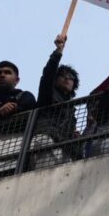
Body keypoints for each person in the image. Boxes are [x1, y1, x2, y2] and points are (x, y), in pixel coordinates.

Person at [35, 34, 82, 165]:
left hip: (66, 147)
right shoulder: (48, 94)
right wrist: (58, 51)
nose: (67, 78)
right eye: (62, 75)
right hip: (47, 139)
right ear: (55, 79)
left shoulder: (71, 108)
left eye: (71, 77)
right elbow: (48, 75)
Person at [0, 61, 37, 133]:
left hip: (19, 139)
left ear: (17, 80)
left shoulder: (25, 96)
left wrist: (12, 109)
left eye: (7, 72)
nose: (2, 75)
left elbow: (31, 117)